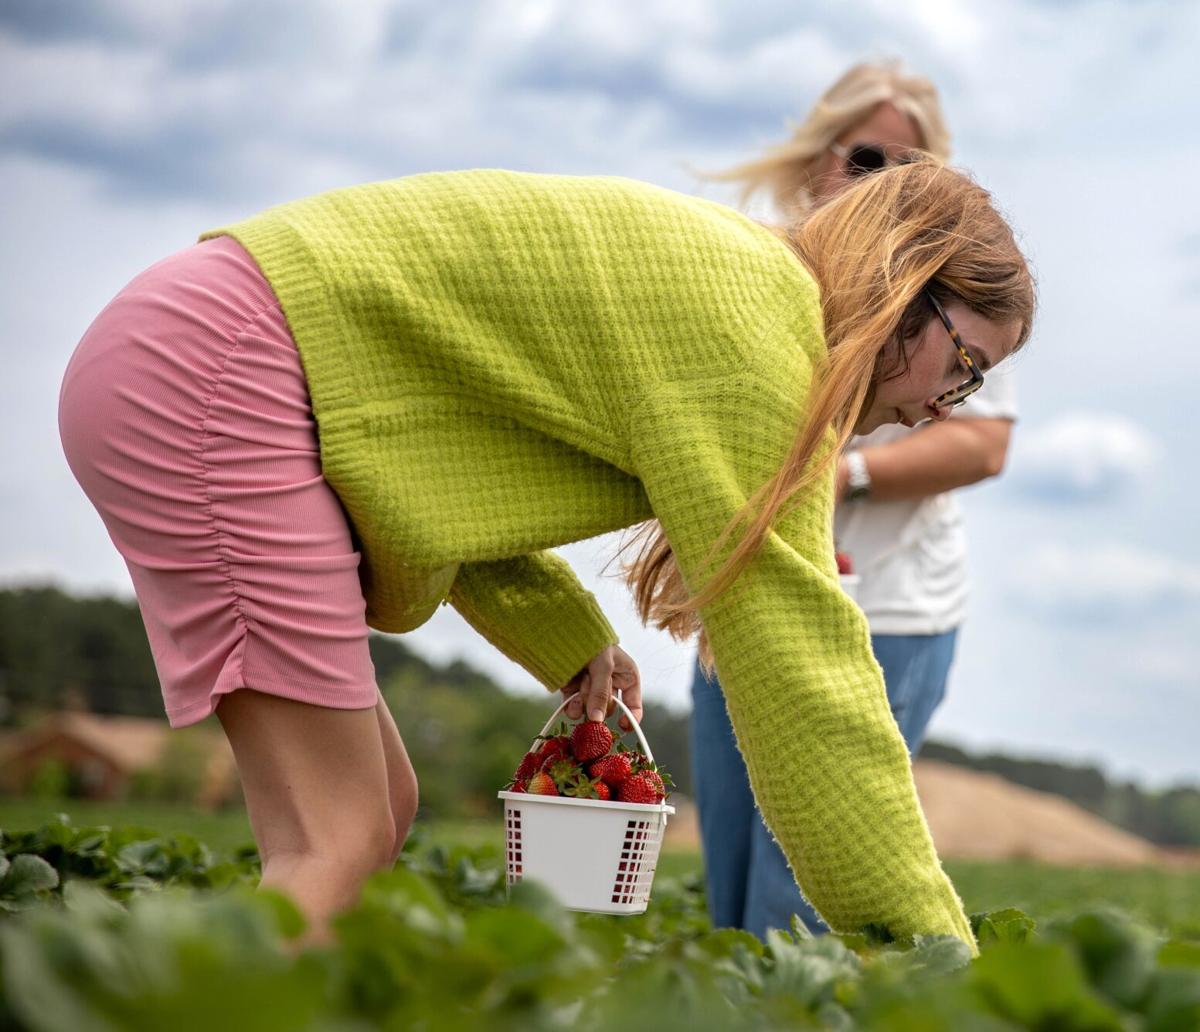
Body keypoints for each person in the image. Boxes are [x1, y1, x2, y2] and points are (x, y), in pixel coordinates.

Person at [58, 158, 1033, 952]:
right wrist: (932, 951)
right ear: (908, 282)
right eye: (965, 365)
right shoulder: (765, 338)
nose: (948, 406)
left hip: (198, 351)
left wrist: (566, 635)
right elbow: (801, 673)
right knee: (334, 838)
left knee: (378, 812)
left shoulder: (746, 291)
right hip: (217, 374)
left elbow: (433, 463)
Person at [690, 61, 1020, 940]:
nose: (887, 185)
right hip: (755, 601)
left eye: (913, 170)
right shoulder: (761, 267)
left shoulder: (943, 290)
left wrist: (839, 476)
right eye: (869, 159)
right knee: (731, 889)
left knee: (794, 906)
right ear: (816, 160)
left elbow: (986, 441)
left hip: (888, 610)